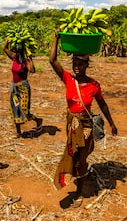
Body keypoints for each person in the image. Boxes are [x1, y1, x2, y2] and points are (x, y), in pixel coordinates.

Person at [49, 30, 118, 207]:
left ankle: (79, 188)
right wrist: (56, 40)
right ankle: (79, 177)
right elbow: (52, 61)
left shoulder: (94, 85)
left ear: (87, 65)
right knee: (73, 152)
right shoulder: (68, 79)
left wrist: (112, 123)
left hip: (85, 124)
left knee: (81, 155)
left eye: (80, 63)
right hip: (72, 123)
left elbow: (102, 105)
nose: (76, 66)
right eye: (74, 63)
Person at [3, 39, 43, 138]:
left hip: (23, 87)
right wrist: (8, 40)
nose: (16, 52)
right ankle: (18, 132)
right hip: (14, 88)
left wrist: (30, 58)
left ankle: (37, 120)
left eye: (17, 50)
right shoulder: (14, 57)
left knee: (24, 110)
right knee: (15, 108)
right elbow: (4, 48)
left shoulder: (26, 60)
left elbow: (32, 70)